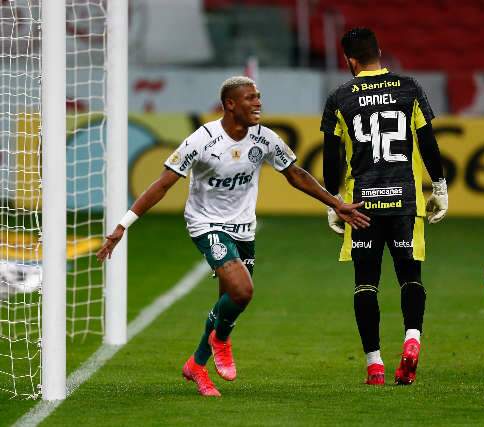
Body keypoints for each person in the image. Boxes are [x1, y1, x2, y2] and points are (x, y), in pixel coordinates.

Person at [97, 76, 370, 397]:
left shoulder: (264, 139)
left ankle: (197, 365)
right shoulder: (202, 141)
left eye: (259, 97)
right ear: (230, 104)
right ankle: (221, 341)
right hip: (206, 224)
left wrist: (336, 203)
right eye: (250, 98)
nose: (258, 103)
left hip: (244, 228)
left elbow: (295, 174)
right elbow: (162, 185)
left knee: (231, 301)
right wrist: (122, 226)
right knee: (242, 292)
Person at [321, 28, 447, 386]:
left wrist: (334, 202)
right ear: (379, 52)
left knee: (365, 284)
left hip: (362, 205)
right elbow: (428, 143)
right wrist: (439, 186)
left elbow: (332, 158)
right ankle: (412, 340)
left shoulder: (339, 98)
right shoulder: (410, 88)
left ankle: (374, 365)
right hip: (405, 201)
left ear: (350, 60)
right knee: (410, 277)